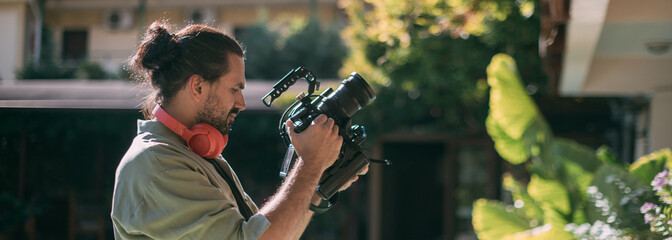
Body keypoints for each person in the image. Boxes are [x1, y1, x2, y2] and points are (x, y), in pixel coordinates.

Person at [111, 22, 366, 240]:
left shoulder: (190, 153)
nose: (242, 103)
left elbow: (261, 232)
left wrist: (318, 182)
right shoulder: (159, 165)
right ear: (198, 87)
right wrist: (310, 165)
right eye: (235, 89)